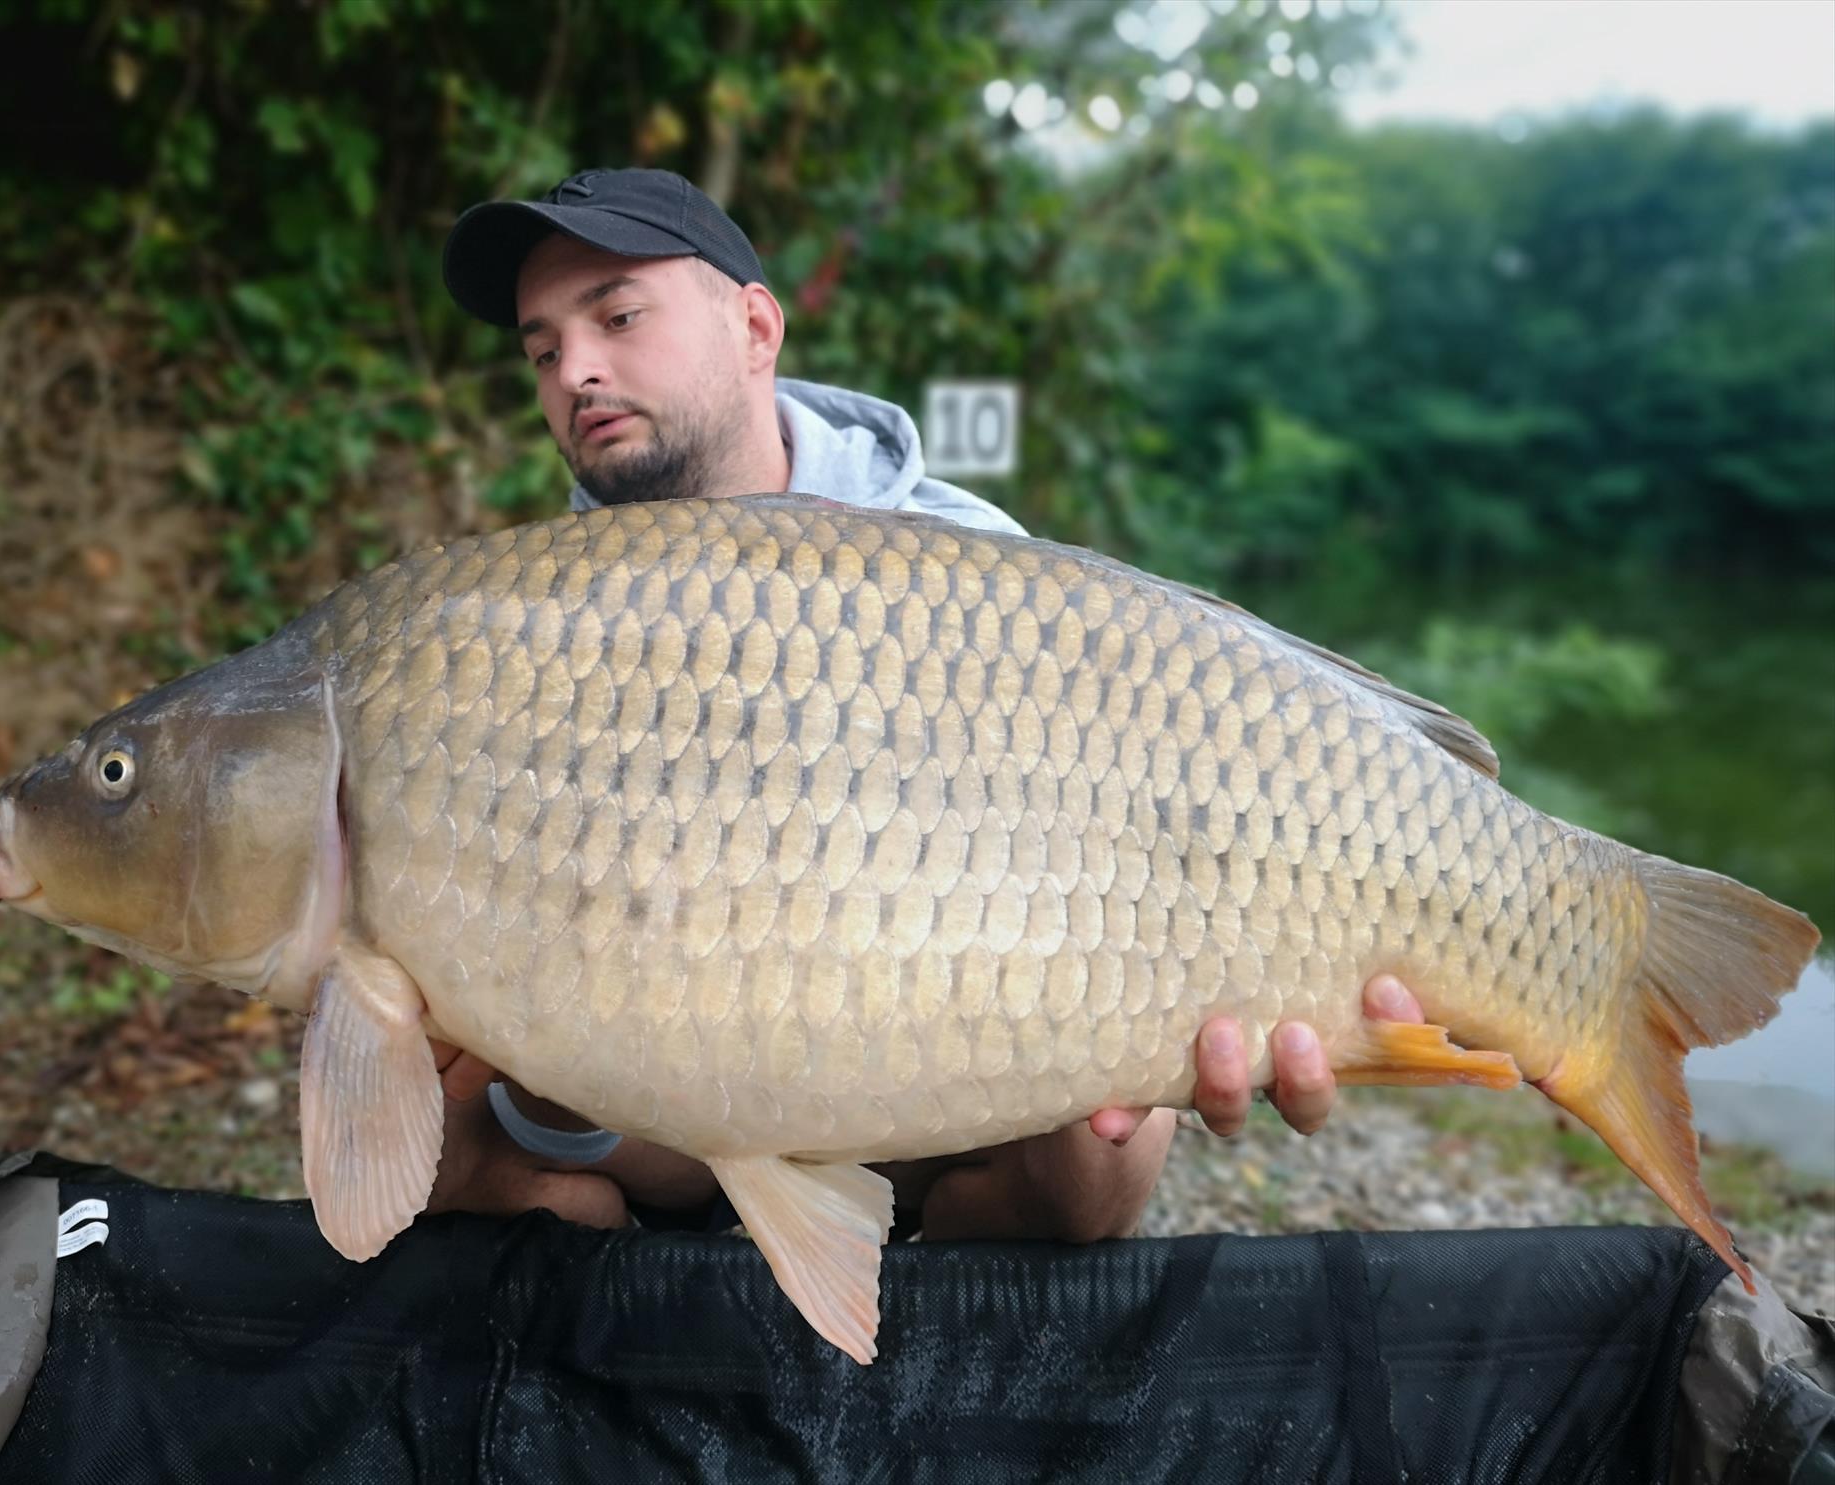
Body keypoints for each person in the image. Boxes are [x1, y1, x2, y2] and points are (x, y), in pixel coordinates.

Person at [432, 167, 1426, 1241]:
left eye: (618, 316)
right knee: (442, 1139)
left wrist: (1242, 991)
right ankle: (642, 1349)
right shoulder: (530, 617)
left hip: (927, 1071)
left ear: (756, 326)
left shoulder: (974, 563)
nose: (577, 369)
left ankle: (926, 1336)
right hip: (674, 1095)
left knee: (1111, 1144)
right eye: (542, 352)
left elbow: (1143, 848)